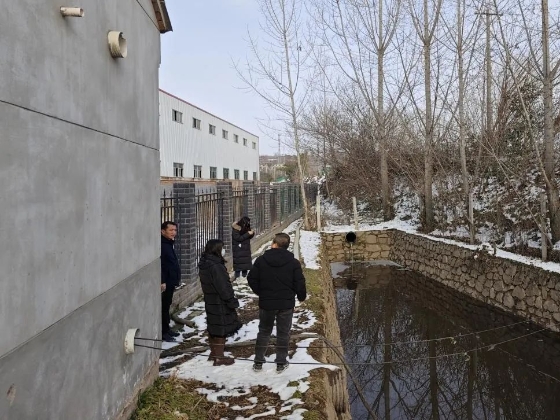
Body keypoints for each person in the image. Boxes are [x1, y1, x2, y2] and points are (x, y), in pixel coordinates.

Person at [248, 233, 307, 373]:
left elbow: (251, 278)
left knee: (264, 331)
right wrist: (301, 296)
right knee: (283, 333)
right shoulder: (293, 263)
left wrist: (261, 292)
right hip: (285, 304)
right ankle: (281, 363)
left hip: (267, 303)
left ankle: (258, 362)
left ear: (274, 244)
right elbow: (299, 282)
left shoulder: (261, 260)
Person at [198, 239, 243, 366]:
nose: (224, 250)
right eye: (222, 248)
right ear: (216, 249)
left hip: (211, 299)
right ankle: (219, 357)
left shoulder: (206, 263)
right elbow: (223, 286)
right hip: (219, 301)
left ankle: (214, 353)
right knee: (220, 327)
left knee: (214, 325)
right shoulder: (215, 266)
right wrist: (231, 300)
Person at [161, 221, 181, 342]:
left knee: (167, 305)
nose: (174, 232)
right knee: (164, 306)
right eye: (171, 230)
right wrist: (162, 281)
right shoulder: (162, 245)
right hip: (166, 281)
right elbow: (161, 264)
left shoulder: (169, 243)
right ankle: (163, 332)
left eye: (175, 230)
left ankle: (167, 329)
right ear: (163, 231)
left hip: (171, 279)